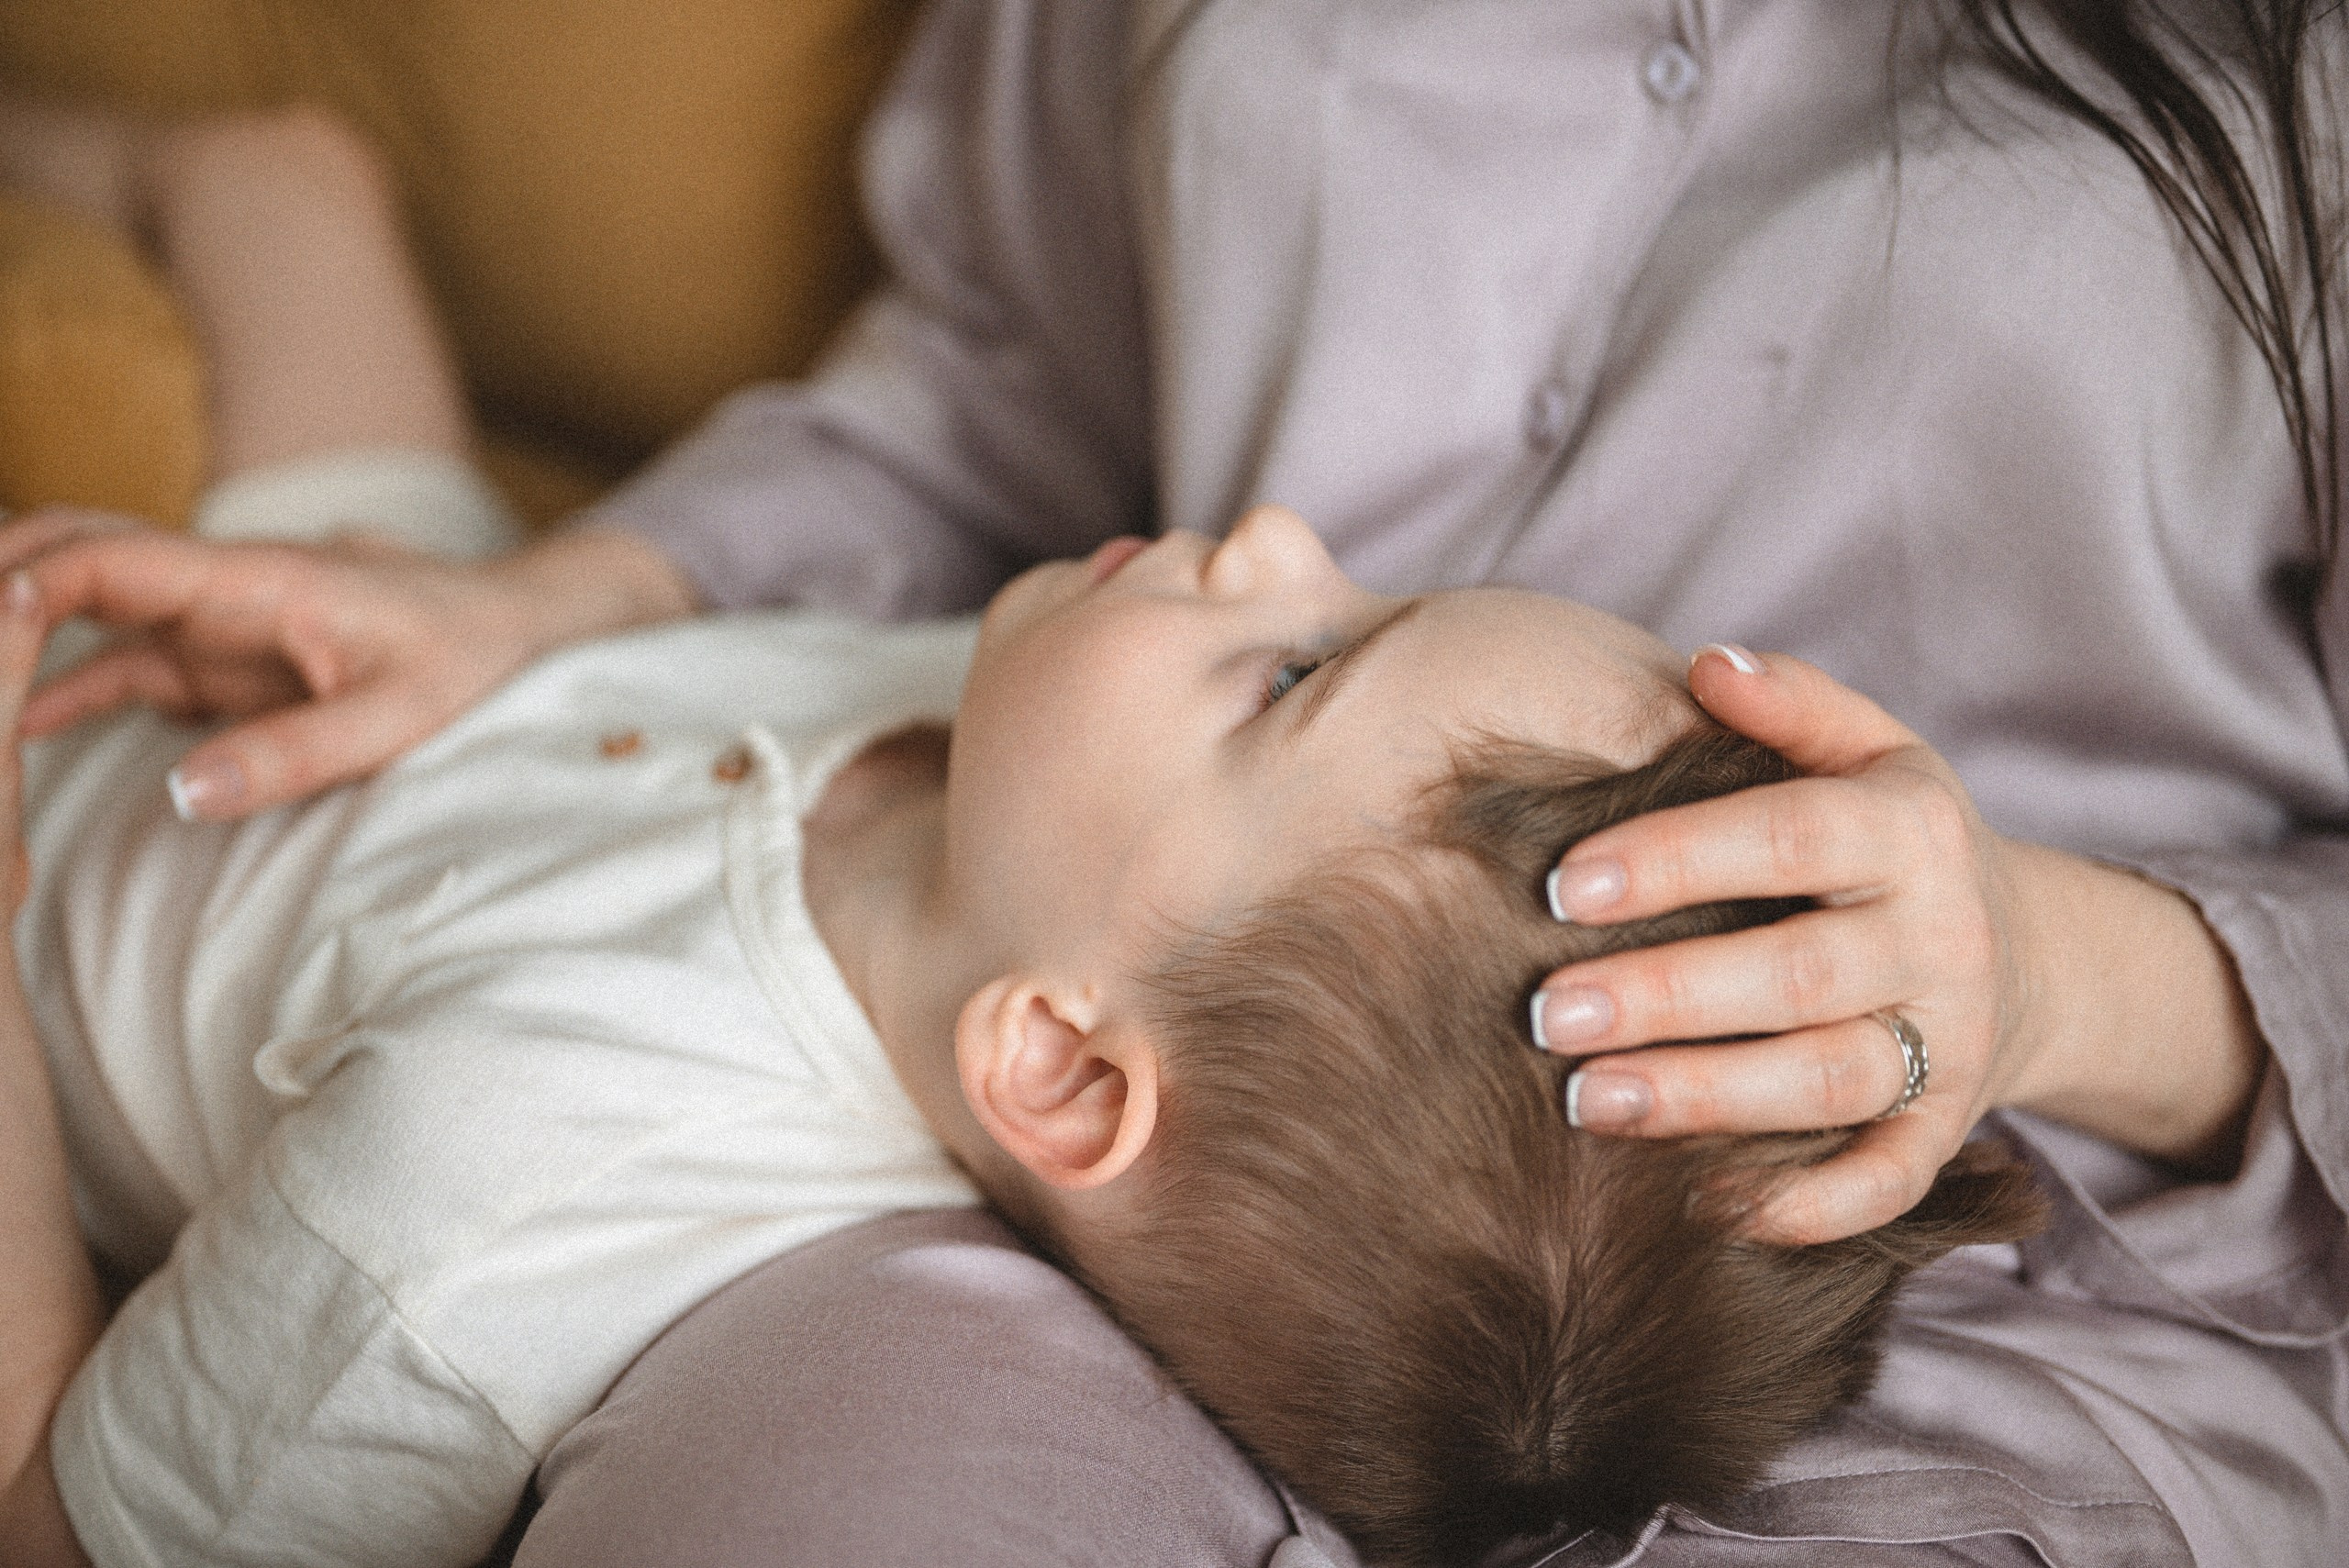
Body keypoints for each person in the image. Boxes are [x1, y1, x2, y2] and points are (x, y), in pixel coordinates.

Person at [3, 1, 2344, 1562]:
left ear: (1056, 1070)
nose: (1277, 531)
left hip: (2048, 1302)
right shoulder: (1029, 758)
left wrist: (2053, 974)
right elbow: (991, 396)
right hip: (516, 744)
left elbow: (66, 1499)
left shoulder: (496, 1181)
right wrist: (563, 598)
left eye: (1291, 662)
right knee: (283, 190)